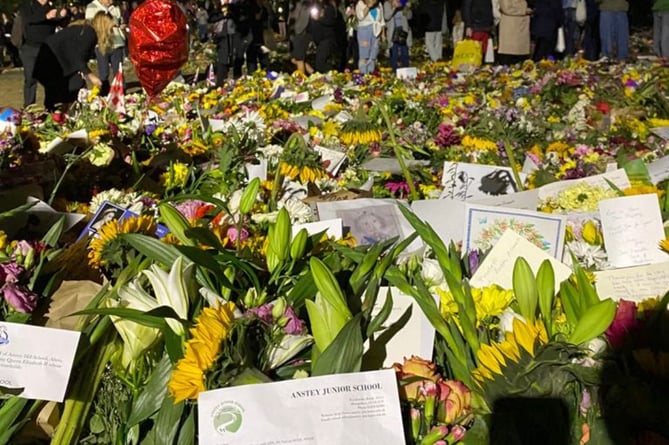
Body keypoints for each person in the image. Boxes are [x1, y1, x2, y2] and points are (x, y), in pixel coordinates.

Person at [33, 12, 114, 110]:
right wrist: (91, 76)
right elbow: (78, 57)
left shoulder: (86, 30)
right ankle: (62, 113)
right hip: (51, 62)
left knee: (68, 88)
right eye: (110, 28)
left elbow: (75, 54)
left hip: (52, 61)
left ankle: (61, 111)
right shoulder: (89, 33)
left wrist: (82, 70)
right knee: (74, 87)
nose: (111, 31)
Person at [19, 0, 69, 107]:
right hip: (30, 47)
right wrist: (46, 16)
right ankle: (29, 106)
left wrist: (63, 16)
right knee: (30, 78)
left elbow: (61, 24)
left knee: (50, 79)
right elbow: (28, 19)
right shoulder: (28, 4)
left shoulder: (52, 6)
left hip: (48, 47)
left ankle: (50, 105)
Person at [85, 0, 126, 96]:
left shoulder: (115, 7)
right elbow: (90, 25)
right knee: (104, 72)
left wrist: (121, 25)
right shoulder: (92, 6)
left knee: (118, 70)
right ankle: (105, 93)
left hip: (117, 42)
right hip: (101, 43)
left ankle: (122, 92)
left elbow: (120, 21)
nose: (111, 2)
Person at [497, 0, 531, 65]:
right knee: (508, 59)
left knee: (521, 61)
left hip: (522, 28)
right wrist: (524, 10)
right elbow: (506, 8)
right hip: (510, 29)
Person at [356, 0, 384, 74]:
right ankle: (363, 74)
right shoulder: (360, 3)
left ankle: (371, 73)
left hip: (376, 31)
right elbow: (360, 17)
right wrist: (368, 6)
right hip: (364, 31)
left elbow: (382, 21)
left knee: (373, 54)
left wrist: (383, 35)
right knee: (364, 55)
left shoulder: (379, 4)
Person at [384, 0, 411, 70]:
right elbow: (386, 17)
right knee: (394, 53)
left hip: (403, 30)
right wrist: (394, 7)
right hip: (393, 31)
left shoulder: (403, 2)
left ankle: (406, 71)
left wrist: (407, 8)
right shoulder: (387, 3)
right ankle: (394, 71)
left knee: (404, 52)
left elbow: (409, 17)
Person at [289, 0, 314, 74]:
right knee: (294, 59)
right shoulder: (294, 3)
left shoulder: (304, 4)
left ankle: (301, 80)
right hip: (295, 33)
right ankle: (313, 72)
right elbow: (291, 17)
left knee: (299, 58)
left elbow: (303, 20)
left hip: (301, 33)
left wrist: (298, 31)